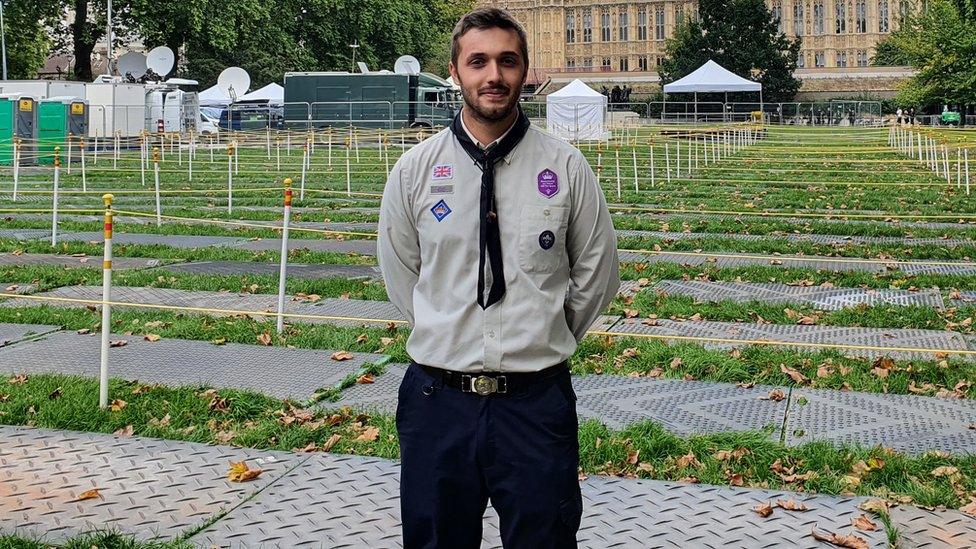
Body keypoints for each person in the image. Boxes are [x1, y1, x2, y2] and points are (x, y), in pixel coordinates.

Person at [378, 7, 620, 549]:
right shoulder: (416, 170)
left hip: (535, 405)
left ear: (525, 70)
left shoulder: (566, 169)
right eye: (479, 61)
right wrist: (447, 329)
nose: (494, 75)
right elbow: (400, 271)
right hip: (438, 402)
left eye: (507, 61)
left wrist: (543, 333)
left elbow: (597, 273)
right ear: (456, 72)